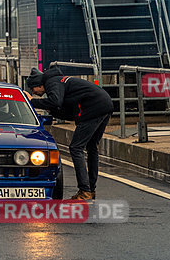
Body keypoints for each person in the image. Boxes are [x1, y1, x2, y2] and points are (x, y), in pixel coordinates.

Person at [26, 67, 113, 201]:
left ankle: (85, 190)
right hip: (104, 104)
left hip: (94, 108)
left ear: (39, 84)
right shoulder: (60, 83)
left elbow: (55, 101)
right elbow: (69, 111)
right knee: (91, 147)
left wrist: (32, 101)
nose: (34, 92)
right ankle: (90, 189)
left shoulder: (52, 82)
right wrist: (54, 111)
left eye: (33, 89)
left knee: (76, 148)